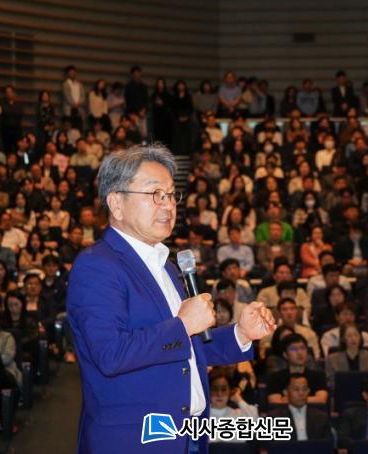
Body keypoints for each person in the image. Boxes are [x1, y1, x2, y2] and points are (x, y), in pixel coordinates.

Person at [66, 144, 275, 454]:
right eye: (155, 194)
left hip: (186, 437)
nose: (168, 205)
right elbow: (110, 354)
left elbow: (184, 347)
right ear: (116, 203)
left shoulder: (167, 266)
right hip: (134, 443)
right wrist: (183, 324)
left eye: (171, 195)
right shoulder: (97, 265)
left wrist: (240, 334)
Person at [266, 333, 328, 405]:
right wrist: (311, 399)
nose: (299, 353)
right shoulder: (275, 377)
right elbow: (275, 401)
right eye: (293, 349)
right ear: (285, 355)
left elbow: (321, 399)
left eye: (302, 348)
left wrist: (289, 399)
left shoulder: (318, 376)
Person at [268, 373, 332, 441]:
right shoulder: (274, 418)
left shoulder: (321, 417)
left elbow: (327, 444)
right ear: (286, 392)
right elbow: (269, 444)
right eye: (296, 389)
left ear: (308, 391)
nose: (301, 393)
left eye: (304, 389)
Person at [325, 324, 368, 389]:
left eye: (356, 335)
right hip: (342, 391)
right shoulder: (332, 359)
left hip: (365, 392)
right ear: (343, 339)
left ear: (360, 337)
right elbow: (331, 382)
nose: (353, 338)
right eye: (349, 336)